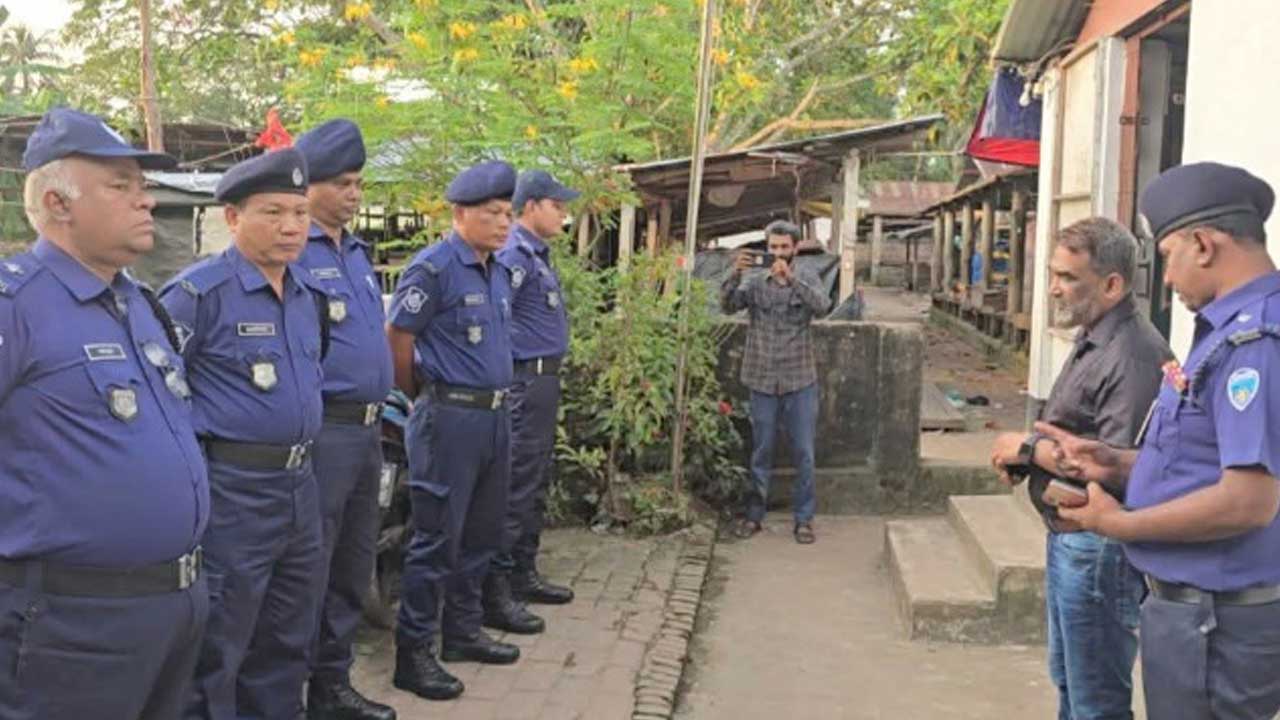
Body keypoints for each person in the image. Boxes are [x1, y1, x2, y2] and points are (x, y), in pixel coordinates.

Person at [1043, 162, 1280, 720]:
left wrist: (1117, 524)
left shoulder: (1256, 342)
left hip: (1217, 621)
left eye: (1169, 255)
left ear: (1203, 245)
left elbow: (1248, 501)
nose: (1167, 278)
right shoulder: (1228, 331)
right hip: (1196, 613)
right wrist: (1116, 464)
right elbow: (1203, 459)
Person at [0, 107, 208, 720]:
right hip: (73, 626)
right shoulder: (16, 305)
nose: (146, 201)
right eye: (121, 186)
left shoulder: (138, 302)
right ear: (58, 203)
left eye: (143, 186)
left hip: (172, 607)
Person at [160, 148, 327, 720]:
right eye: (273, 212)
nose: (291, 226)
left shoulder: (306, 295)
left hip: (300, 485)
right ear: (233, 218)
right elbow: (162, 399)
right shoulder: (197, 295)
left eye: (300, 213)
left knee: (288, 633)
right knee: (220, 640)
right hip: (233, 489)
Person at [989, 217, 1171, 720]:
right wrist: (1028, 461)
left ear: (1112, 284)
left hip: (1098, 550)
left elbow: (1113, 468)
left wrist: (1028, 450)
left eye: (1068, 278)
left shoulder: (1132, 354)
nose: (1053, 288)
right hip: (1072, 541)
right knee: (1072, 684)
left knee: (1096, 701)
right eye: (1053, 274)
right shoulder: (1095, 336)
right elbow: (1076, 433)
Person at [387, 160, 521, 701]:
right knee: (437, 537)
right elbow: (397, 337)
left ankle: (463, 632)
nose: (504, 223)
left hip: (494, 416)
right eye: (493, 214)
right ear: (461, 214)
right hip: (449, 418)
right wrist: (420, 395)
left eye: (508, 214)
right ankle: (414, 652)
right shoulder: (434, 268)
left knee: (483, 532)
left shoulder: (497, 270)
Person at [294, 119, 396, 720]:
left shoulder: (357, 253)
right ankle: (294, 690)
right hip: (325, 432)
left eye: (359, 183)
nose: (355, 195)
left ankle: (332, 684)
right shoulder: (293, 251)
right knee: (312, 565)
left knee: (354, 564)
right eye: (343, 184)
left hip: (368, 430)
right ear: (308, 186)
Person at [480, 169, 580, 636]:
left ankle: (523, 571)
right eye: (557, 206)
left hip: (542, 381)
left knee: (534, 480)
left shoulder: (536, 255)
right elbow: (495, 319)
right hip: (524, 380)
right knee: (516, 484)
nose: (564, 215)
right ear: (532, 206)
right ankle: (496, 591)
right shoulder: (514, 255)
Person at [720, 220, 831, 544]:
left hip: (800, 378)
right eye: (773, 247)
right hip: (761, 377)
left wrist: (791, 280)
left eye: (784, 247)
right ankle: (754, 515)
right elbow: (728, 306)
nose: (778, 253)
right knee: (761, 451)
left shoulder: (807, 276)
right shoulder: (755, 280)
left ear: (795, 248)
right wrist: (734, 273)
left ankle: (804, 520)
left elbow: (822, 307)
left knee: (804, 453)